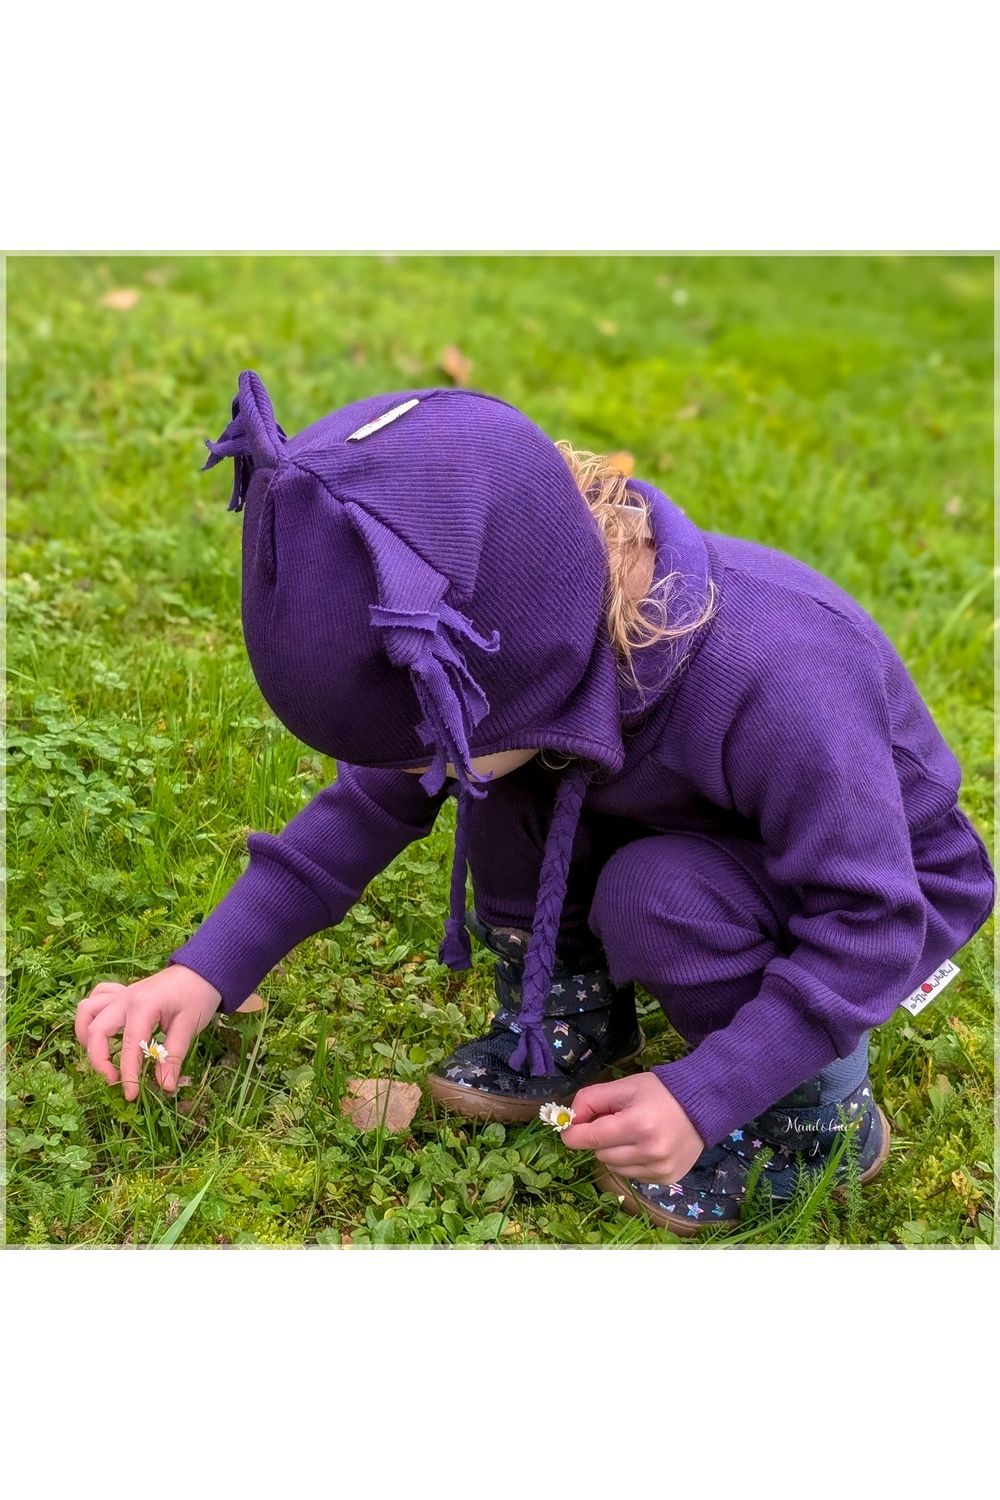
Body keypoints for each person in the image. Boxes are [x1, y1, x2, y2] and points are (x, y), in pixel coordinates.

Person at [74, 371, 997, 1236]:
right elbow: (367, 810)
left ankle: (815, 1118)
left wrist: (702, 1095)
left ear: (522, 673)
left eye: (429, 748)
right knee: (506, 786)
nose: (415, 774)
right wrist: (206, 968)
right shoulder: (534, 641)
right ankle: (569, 1011)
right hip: (697, 817)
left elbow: (869, 916)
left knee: (656, 892)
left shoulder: (781, 677)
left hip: (873, 885)